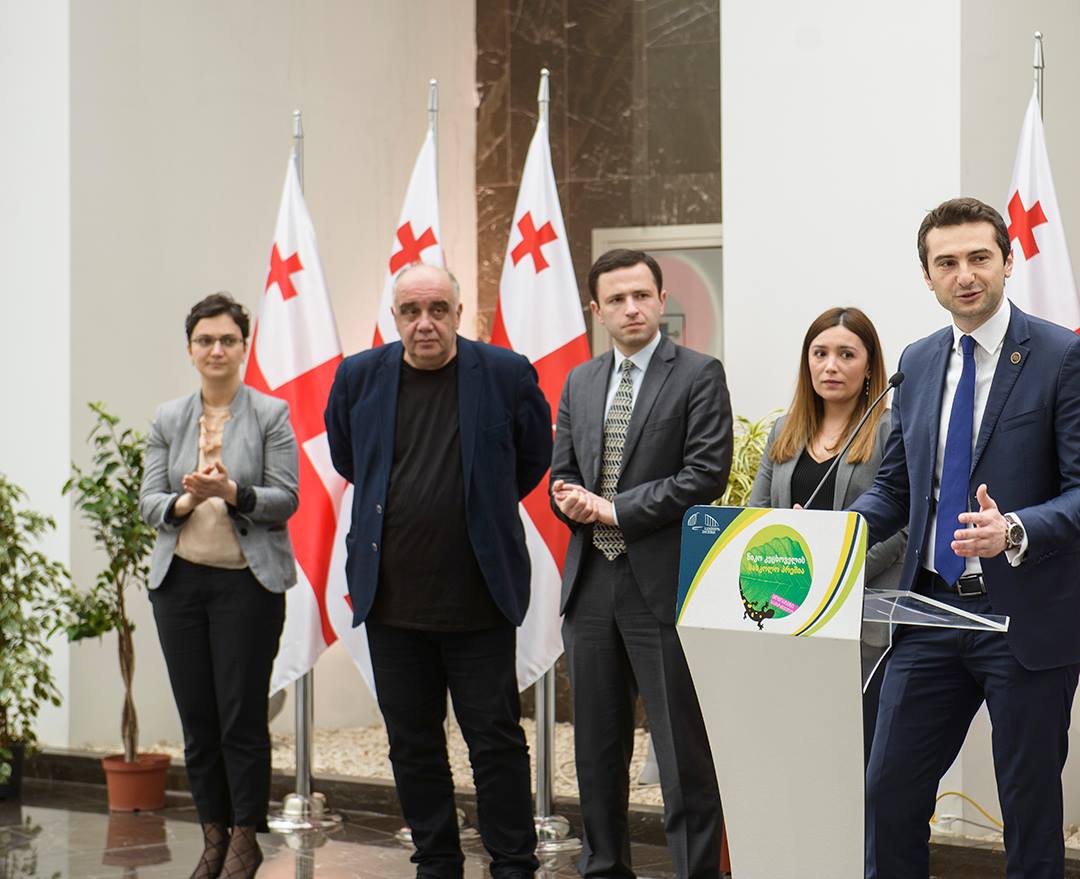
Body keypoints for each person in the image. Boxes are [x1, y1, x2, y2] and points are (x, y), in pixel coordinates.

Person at [847, 197, 1080, 879]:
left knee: (1028, 807)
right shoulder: (916, 361)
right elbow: (896, 489)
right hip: (930, 612)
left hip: (1026, 616)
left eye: (978, 257)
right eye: (947, 262)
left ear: (1007, 261)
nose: (964, 274)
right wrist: (834, 535)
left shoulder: (1063, 356)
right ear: (927, 275)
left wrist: (1013, 528)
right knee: (888, 789)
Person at [324, 262, 552, 879]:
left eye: (437, 310)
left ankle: (512, 863)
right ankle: (437, 861)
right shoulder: (358, 377)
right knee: (412, 743)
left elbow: (532, 457)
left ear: (458, 312)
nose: (425, 323)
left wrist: (479, 507)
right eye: (411, 311)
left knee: (495, 742)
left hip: (479, 598)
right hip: (392, 600)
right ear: (394, 316)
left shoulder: (504, 373)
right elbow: (350, 459)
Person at [550, 248, 732, 879]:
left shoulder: (699, 374)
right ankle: (603, 868)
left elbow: (705, 474)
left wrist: (614, 509)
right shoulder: (580, 381)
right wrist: (569, 499)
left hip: (662, 584)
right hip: (590, 586)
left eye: (641, 296)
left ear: (661, 301)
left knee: (682, 755)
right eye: (617, 300)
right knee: (596, 751)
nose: (631, 308)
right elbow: (562, 472)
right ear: (597, 311)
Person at [140, 292, 298, 879]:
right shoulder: (167, 418)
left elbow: (286, 498)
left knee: (240, 718)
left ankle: (245, 838)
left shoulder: (271, 414)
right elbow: (149, 502)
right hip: (179, 587)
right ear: (190, 350)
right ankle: (213, 837)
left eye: (227, 340)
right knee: (198, 721)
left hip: (246, 587)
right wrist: (186, 500)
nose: (216, 350)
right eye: (205, 340)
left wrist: (232, 492)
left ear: (243, 347)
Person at [746, 305, 907, 765]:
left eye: (846, 354)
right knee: (799, 752)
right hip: (788, 611)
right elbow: (757, 518)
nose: (831, 365)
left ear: (870, 366)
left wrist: (835, 577)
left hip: (863, 617)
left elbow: (903, 524)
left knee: (856, 755)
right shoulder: (785, 430)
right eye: (820, 353)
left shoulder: (890, 429)